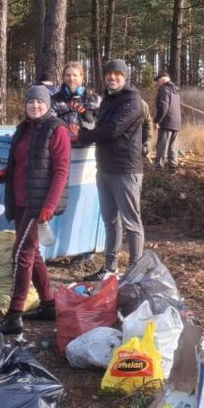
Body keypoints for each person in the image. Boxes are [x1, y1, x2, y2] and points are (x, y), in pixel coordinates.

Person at [0, 85, 71, 335]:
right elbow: (23, 162)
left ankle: (14, 316)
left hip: (39, 204)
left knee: (21, 254)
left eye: (40, 102)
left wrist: (49, 204)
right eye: (31, 102)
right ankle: (48, 304)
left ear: (48, 105)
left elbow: (61, 171)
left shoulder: (57, 130)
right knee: (32, 255)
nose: (35, 106)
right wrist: (6, 174)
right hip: (22, 200)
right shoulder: (23, 129)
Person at [73, 58, 145, 280]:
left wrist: (82, 135)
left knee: (132, 222)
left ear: (125, 77)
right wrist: (84, 120)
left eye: (118, 74)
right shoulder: (107, 99)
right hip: (104, 167)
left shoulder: (132, 101)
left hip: (125, 169)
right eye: (109, 74)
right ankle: (110, 268)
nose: (112, 78)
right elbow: (99, 125)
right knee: (110, 221)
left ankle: (135, 271)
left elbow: (111, 130)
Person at [51, 61, 100, 136]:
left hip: (90, 146)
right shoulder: (54, 100)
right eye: (68, 75)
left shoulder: (94, 99)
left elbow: (103, 124)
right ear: (63, 78)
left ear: (81, 77)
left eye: (75, 75)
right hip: (64, 145)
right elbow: (50, 125)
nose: (71, 78)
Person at [153, 73, 182, 169]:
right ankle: (173, 165)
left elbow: (163, 107)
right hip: (176, 122)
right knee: (173, 146)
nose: (157, 83)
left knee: (162, 145)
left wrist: (157, 120)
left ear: (163, 80)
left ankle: (158, 166)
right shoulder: (176, 90)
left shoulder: (163, 89)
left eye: (158, 81)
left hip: (167, 122)